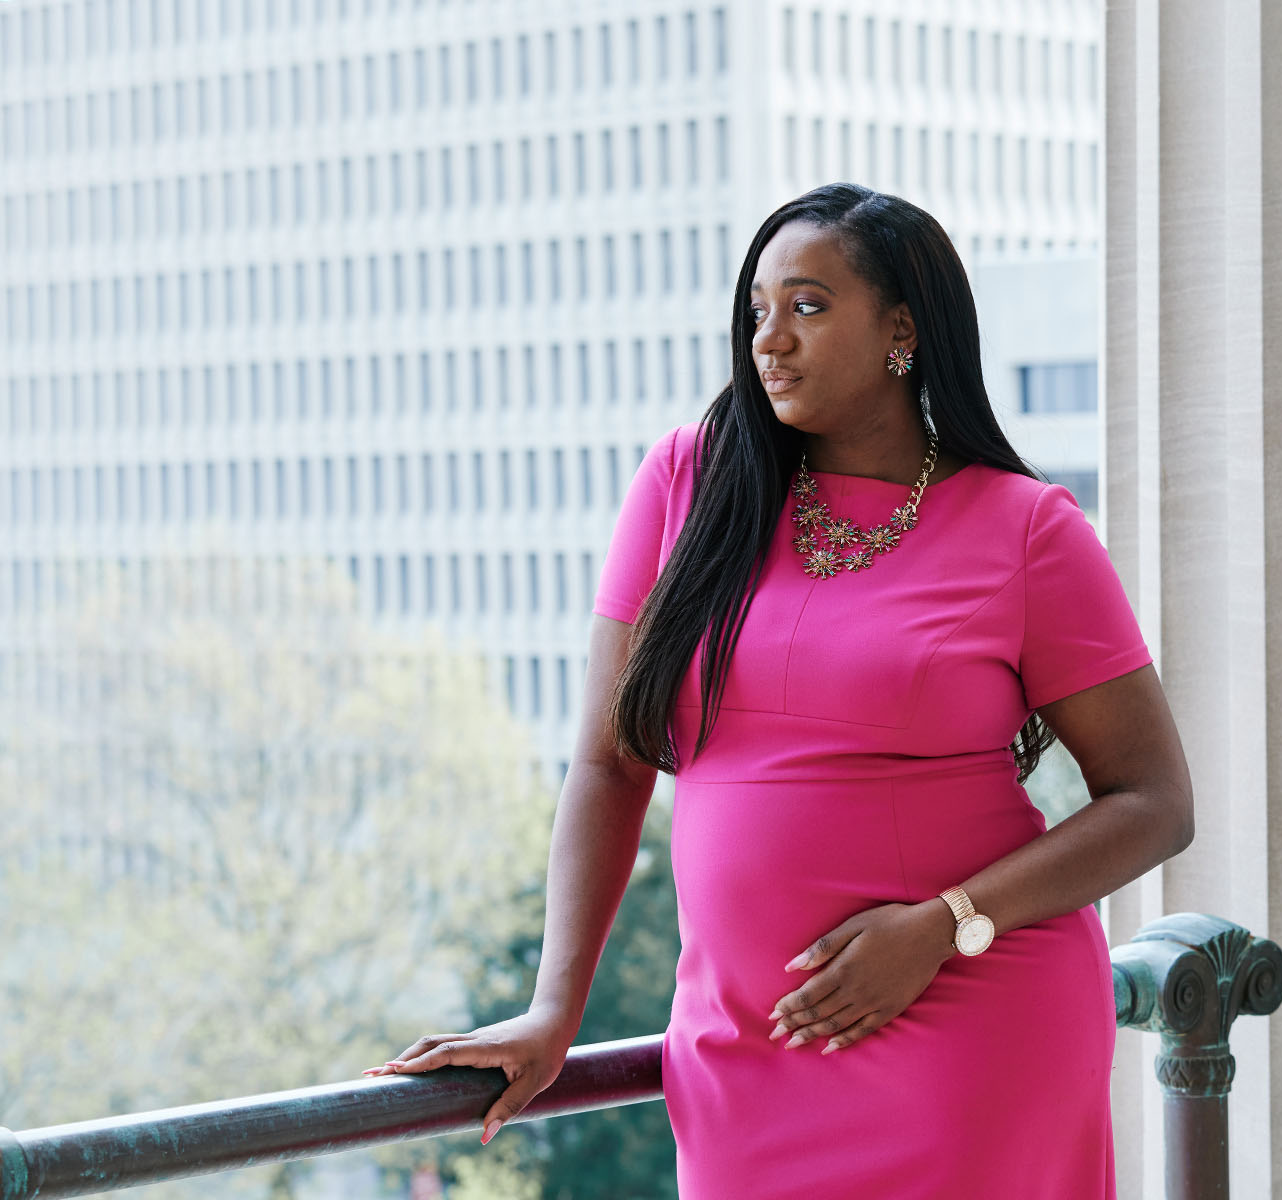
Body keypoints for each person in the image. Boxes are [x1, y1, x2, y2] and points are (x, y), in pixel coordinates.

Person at [365, 183, 1194, 1197]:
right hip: (740, 1053)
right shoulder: (689, 483)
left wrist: (945, 924)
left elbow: (1154, 803)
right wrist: (553, 1010)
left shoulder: (1026, 530)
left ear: (902, 331)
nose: (770, 340)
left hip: (970, 1029)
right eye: (756, 310)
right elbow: (607, 763)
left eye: (807, 306)